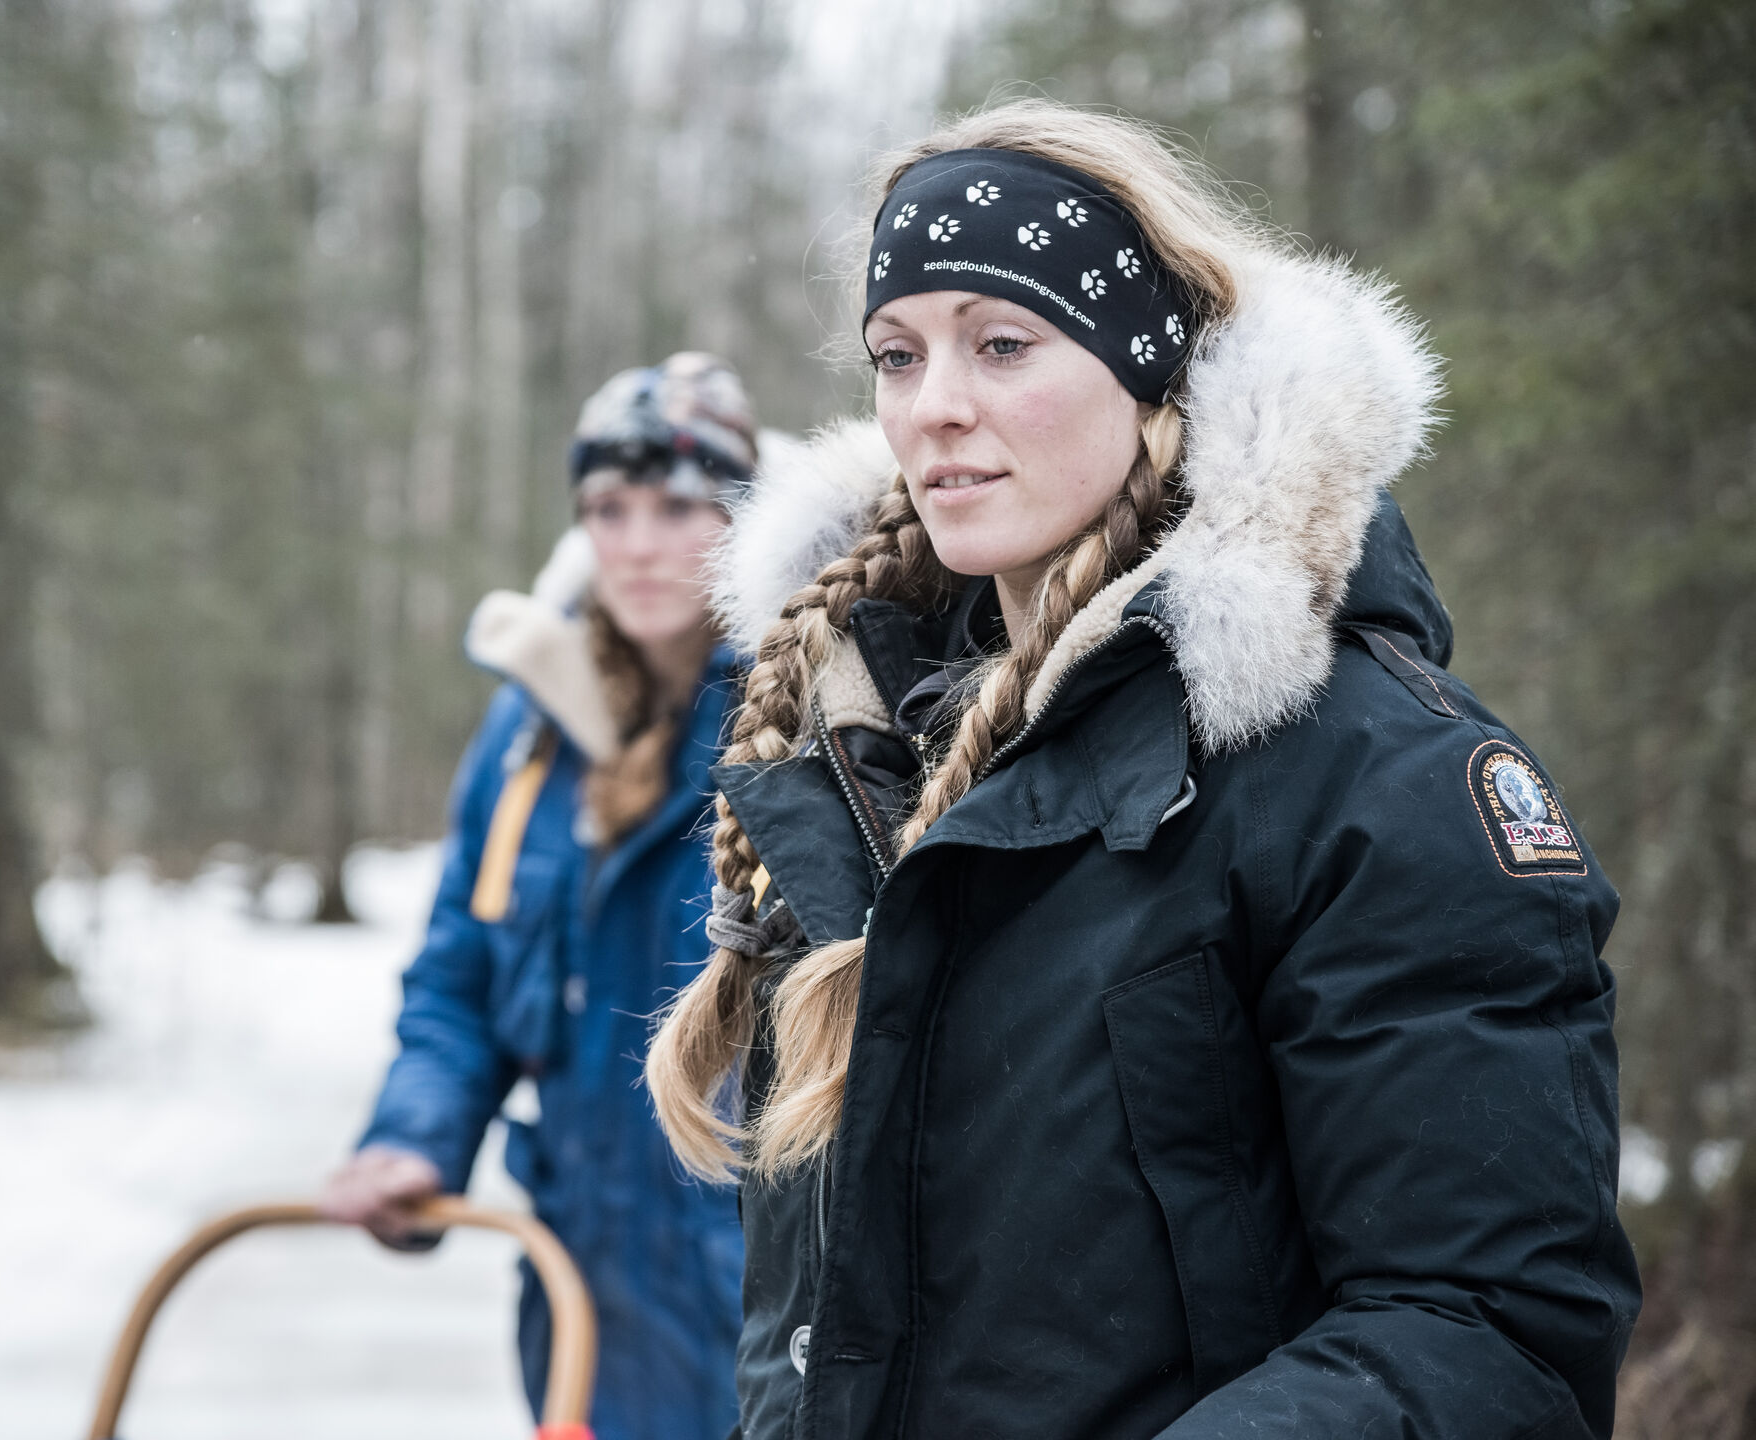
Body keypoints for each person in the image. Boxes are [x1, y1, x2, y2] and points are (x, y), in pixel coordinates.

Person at [646, 100, 1640, 1439]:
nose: (934, 408)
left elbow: (1489, 1330)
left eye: (1002, 343)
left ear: (1148, 370)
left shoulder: (1380, 782)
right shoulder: (859, 763)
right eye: (896, 354)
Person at [324, 354, 757, 1440]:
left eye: (677, 507)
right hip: (579, 1316)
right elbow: (459, 979)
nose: (639, 544)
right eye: (609, 509)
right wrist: (416, 1134)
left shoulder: (806, 716)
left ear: (741, 519)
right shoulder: (528, 740)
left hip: (761, 1318)